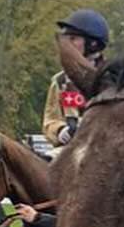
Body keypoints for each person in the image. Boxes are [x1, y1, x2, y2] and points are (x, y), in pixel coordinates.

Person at [42, 9, 110, 154]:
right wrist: (60, 131)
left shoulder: (114, 79)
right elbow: (49, 121)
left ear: (93, 44)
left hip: (105, 151)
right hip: (69, 150)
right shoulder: (60, 81)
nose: (67, 45)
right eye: (66, 39)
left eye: (73, 39)